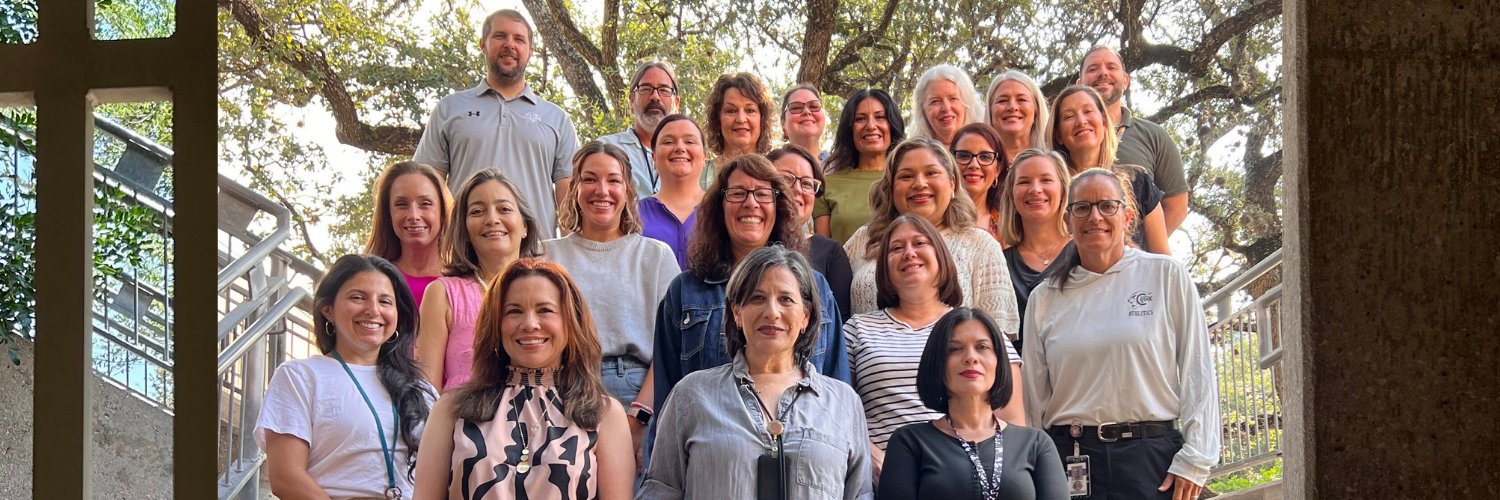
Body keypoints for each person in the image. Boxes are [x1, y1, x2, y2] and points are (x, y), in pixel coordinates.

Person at [1022, 169, 1219, 500]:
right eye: (1082, 207)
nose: (1094, 216)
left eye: (1107, 206)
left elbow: (1197, 371)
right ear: (1068, 221)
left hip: (1151, 460)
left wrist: (1196, 460)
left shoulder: (1165, 276)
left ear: (1127, 217)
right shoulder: (1044, 297)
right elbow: (1034, 402)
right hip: (1070, 459)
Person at [645, 155, 851, 469]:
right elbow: (667, 402)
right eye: (738, 193)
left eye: (763, 194)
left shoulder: (816, 288)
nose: (750, 203)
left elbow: (838, 390)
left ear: (778, 206)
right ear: (719, 207)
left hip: (804, 464)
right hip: (712, 468)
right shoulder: (685, 292)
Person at [639, 246, 872, 500]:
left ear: (806, 315)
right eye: (757, 298)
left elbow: (859, 493)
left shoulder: (844, 403)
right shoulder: (691, 395)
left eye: (786, 299)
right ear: (737, 312)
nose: (772, 312)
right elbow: (659, 491)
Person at [413, 259, 634, 499]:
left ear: (571, 322)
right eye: (514, 311)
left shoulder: (606, 414)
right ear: (496, 325)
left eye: (545, 310)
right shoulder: (449, 410)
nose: (529, 324)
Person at [843, 213, 1022, 481]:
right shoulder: (857, 329)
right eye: (896, 247)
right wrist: (871, 457)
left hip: (967, 479)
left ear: (941, 257)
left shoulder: (979, 330)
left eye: (919, 243)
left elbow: (1013, 425)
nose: (909, 253)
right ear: (883, 267)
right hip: (883, 480)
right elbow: (835, 412)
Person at [257, 254, 436, 500]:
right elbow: (286, 478)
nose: (373, 310)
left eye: (385, 301)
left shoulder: (421, 389)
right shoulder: (300, 377)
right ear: (328, 310)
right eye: (358, 297)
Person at [412, 9, 579, 235]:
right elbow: (425, 190)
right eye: (500, 36)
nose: (509, 45)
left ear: (530, 52)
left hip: (535, 257)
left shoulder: (556, 119)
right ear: (483, 45)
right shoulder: (449, 109)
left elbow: (570, 205)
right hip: (463, 254)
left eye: (519, 39)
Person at [879, 308, 1068, 500]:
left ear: (999, 361)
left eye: (982, 347)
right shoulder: (909, 442)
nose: (971, 357)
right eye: (955, 348)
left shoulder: (1035, 443)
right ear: (937, 363)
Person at [843, 137, 1021, 335]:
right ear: (891, 188)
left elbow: (999, 340)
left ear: (952, 183)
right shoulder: (864, 240)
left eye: (931, 173)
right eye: (906, 176)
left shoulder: (980, 245)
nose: (919, 184)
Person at [547, 141, 679, 405]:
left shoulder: (655, 255)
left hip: (632, 388)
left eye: (613, 180)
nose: (602, 190)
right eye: (590, 179)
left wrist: (642, 413)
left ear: (629, 191)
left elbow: (673, 344)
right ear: (574, 190)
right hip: (559, 385)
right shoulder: (545, 256)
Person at [416, 169, 545, 392]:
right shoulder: (442, 294)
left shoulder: (552, 288)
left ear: (525, 226)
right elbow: (424, 393)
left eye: (504, 209)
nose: (492, 219)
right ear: (464, 229)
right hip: (462, 423)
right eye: (477, 211)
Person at [1077, 45, 1189, 233]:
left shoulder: (1154, 136)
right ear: (1079, 85)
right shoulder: (1063, 135)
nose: (1103, 73)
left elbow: (1177, 206)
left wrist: (1146, 251)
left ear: (1125, 81)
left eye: (1111, 68)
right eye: (1093, 68)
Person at [1047, 85, 1171, 255]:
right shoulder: (1050, 191)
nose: (1081, 121)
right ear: (1058, 135)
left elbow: (1163, 261)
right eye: (1069, 116)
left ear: (1105, 123)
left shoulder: (1138, 181)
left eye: (1088, 111)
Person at [997, 148, 1073, 353]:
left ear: (1064, 190)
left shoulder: (1084, 254)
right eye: (1024, 182)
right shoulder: (998, 264)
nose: (1035, 189)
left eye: (1046, 180)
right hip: (1018, 379)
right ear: (1012, 195)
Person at [768, 144, 852, 322]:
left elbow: (839, 329)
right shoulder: (744, 244)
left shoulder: (831, 252)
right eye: (786, 178)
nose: (797, 189)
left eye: (806, 183)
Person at [813, 88, 905, 244]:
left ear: (892, 125)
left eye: (880, 117)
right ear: (850, 129)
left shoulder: (908, 180)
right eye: (860, 119)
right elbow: (824, 256)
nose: (871, 125)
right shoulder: (827, 186)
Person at [364, 161, 453, 307]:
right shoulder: (368, 278)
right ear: (388, 215)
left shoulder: (467, 282)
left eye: (425, 203)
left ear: (442, 211)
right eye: (401, 204)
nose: (413, 216)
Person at [597, 61, 680, 196]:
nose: (655, 97)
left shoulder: (688, 155)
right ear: (631, 100)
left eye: (663, 90)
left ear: (676, 103)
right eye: (646, 89)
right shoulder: (605, 149)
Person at [638, 114, 707, 269]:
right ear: (654, 158)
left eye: (690, 141)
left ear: (704, 157)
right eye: (668, 142)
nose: (680, 148)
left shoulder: (722, 211)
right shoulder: (631, 215)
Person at [703, 72, 776, 184]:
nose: (741, 119)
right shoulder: (699, 173)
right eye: (731, 111)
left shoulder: (776, 173)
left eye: (750, 110)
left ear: (762, 119)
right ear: (717, 119)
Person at [949, 123, 1008, 241]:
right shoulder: (936, 220)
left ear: (998, 169)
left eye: (985, 157)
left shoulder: (1010, 226)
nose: (974, 165)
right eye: (964, 156)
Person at [984, 70, 1050, 164]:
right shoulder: (977, 162)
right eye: (1002, 100)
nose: (1012, 107)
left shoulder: (1055, 161)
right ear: (990, 111)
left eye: (1021, 99)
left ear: (1036, 110)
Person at [908, 64, 982, 147]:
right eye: (935, 101)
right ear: (923, 110)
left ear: (967, 103)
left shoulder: (988, 149)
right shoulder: (914, 156)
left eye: (953, 99)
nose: (946, 108)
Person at [780, 84, 829, 162]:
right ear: (783, 125)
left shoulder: (842, 168)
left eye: (814, 106)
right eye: (796, 107)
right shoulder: (768, 169)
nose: (806, 111)